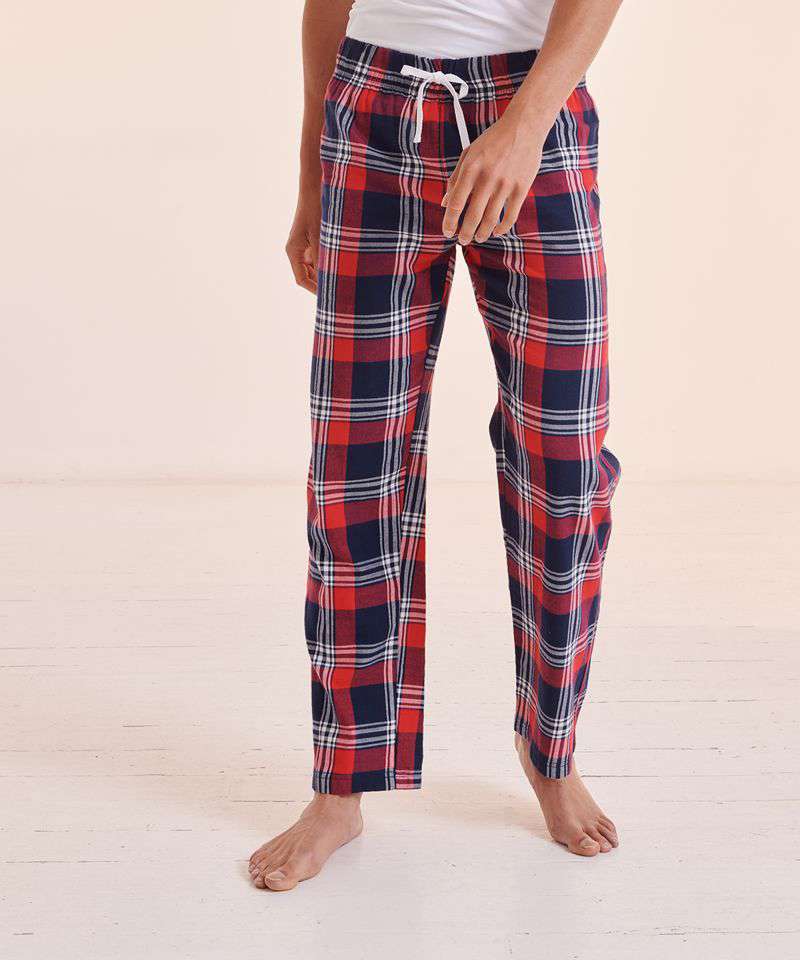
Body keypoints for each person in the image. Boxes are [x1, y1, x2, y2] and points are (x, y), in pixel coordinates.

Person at [250, 0, 624, 891]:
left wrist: (525, 124)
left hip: (532, 103)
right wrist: (312, 175)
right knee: (355, 467)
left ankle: (551, 750)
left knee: (564, 461)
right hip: (374, 105)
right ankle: (341, 785)